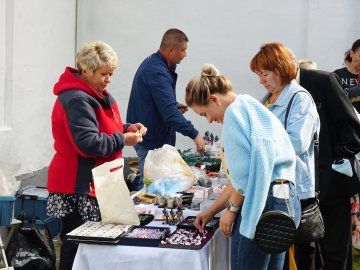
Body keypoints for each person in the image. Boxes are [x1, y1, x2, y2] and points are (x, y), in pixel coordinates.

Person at [188, 64, 301, 270]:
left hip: (261, 203)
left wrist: (231, 211)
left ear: (214, 99)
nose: (210, 120)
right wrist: (212, 210)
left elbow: (245, 180)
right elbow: (241, 178)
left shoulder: (234, 114)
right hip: (283, 200)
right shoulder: (251, 105)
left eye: (205, 114)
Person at [46, 41, 146, 270]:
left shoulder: (96, 94)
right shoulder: (77, 99)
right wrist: (123, 140)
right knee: (76, 242)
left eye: (111, 73)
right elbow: (88, 143)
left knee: (88, 242)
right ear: (86, 70)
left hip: (96, 180)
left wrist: (127, 128)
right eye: (104, 74)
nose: (108, 79)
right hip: (78, 184)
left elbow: (104, 127)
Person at [250, 42, 320, 270]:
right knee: (278, 254)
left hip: (295, 191)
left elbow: (297, 143)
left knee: (300, 257)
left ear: (280, 69)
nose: (261, 80)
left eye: (265, 74)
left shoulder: (299, 99)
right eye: (259, 75)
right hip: (273, 189)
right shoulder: (267, 99)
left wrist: (258, 145)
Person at [126, 28, 205, 191]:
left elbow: (155, 98)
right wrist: (195, 135)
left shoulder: (159, 65)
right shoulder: (157, 72)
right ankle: (143, 216)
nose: (185, 54)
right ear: (171, 50)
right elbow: (169, 115)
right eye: (183, 50)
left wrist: (171, 103)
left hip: (154, 136)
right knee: (149, 190)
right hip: (151, 141)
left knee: (157, 187)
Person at [298, 66, 360, 270]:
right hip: (303, 188)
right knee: (305, 250)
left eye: (264, 74)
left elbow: (351, 125)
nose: (262, 80)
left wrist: (337, 165)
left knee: (335, 252)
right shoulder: (277, 95)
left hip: (333, 183)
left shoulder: (323, 81)